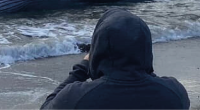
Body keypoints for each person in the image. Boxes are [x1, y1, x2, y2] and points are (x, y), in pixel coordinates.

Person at [40, 8, 190, 110]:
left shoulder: (76, 98)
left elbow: (47, 106)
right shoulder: (175, 93)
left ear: (99, 48)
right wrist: (140, 66)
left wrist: (83, 66)